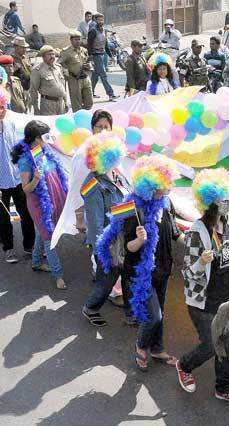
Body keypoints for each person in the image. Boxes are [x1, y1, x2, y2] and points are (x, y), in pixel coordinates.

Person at [96, 155, 182, 371]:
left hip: (163, 267)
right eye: (165, 184)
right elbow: (128, 248)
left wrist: (193, 242)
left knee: (160, 311)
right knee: (153, 315)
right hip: (141, 272)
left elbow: (173, 233)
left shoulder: (166, 202)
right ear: (152, 185)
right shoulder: (134, 209)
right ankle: (141, 346)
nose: (169, 188)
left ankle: (157, 348)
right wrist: (140, 240)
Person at [175, 168, 229, 405]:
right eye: (226, 198)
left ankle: (223, 389)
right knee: (211, 345)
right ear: (212, 201)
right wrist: (201, 261)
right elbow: (187, 271)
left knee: (224, 345)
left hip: (228, 298)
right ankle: (184, 365)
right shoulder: (197, 232)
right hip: (203, 303)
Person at [80, 129, 129, 327]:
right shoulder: (92, 186)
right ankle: (90, 307)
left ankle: (131, 313)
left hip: (122, 237)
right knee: (107, 280)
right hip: (108, 242)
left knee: (120, 275)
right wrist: (102, 251)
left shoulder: (114, 174)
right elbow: (95, 222)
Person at [11, 120, 68, 289]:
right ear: (36, 138)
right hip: (40, 204)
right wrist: (36, 178)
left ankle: (36, 262)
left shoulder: (44, 149)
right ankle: (58, 275)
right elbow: (26, 189)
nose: (48, 138)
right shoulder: (25, 161)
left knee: (41, 234)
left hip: (54, 199)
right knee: (49, 237)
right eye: (45, 135)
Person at [0, 87, 33, 264]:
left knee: (26, 213)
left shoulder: (11, 124)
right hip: (0, 184)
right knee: (3, 218)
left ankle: (30, 246)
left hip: (17, 179)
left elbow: (18, 151)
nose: (0, 111)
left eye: (2, 107)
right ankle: (8, 248)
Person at [58, 30, 93, 112]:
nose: (78, 41)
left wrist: (89, 66)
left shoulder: (84, 50)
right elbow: (59, 64)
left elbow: (89, 61)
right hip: (74, 79)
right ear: (71, 40)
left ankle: (86, 117)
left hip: (85, 78)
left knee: (89, 102)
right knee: (77, 105)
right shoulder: (66, 52)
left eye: (79, 39)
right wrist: (66, 72)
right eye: (75, 39)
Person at [30, 46, 69, 116]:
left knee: (61, 125)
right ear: (43, 57)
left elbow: (62, 85)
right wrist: (36, 108)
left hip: (61, 102)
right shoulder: (37, 70)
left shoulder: (58, 67)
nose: (52, 56)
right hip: (48, 103)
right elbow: (33, 90)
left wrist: (66, 101)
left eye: (53, 54)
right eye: (49, 54)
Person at [87, 13, 116, 101]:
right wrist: (90, 56)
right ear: (95, 20)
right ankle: (111, 94)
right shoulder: (93, 31)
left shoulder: (103, 30)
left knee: (95, 75)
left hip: (103, 54)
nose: (101, 21)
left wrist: (111, 55)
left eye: (102, 20)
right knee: (103, 75)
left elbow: (106, 44)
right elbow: (89, 44)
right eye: (99, 20)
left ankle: (90, 93)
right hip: (96, 55)